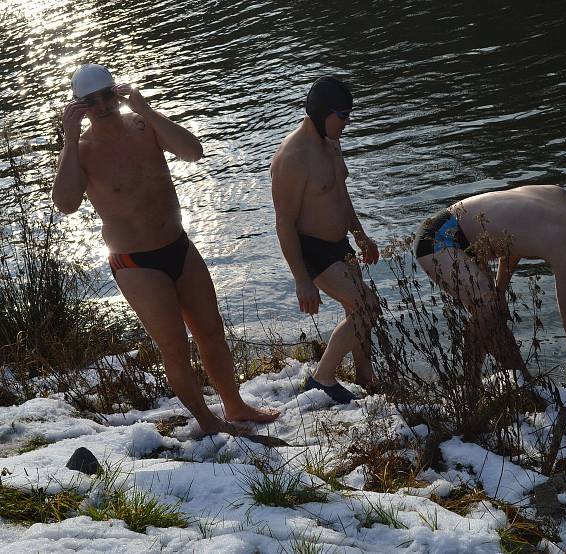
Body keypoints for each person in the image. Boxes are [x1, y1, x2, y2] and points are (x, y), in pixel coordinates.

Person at [52, 63, 279, 434]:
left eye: (108, 95)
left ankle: (234, 406)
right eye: (91, 102)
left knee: (211, 331)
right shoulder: (82, 150)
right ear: (79, 107)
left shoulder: (144, 127)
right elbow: (65, 203)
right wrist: (68, 137)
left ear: (118, 92)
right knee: (175, 347)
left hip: (180, 246)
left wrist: (146, 109)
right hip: (135, 263)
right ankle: (207, 421)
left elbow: (194, 151)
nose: (103, 105)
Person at [413, 184, 566, 382]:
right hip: (438, 240)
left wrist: (500, 290)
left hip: (449, 225)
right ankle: (470, 387)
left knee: (493, 314)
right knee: (487, 309)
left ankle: (521, 381)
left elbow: (514, 236)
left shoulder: (558, 194)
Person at [270, 76, 380, 404]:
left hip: (340, 244)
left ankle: (366, 381)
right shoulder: (293, 158)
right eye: (343, 116)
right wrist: (302, 280)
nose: (347, 123)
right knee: (367, 308)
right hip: (313, 248)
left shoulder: (331, 141)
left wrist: (361, 236)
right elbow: (284, 223)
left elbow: (340, 192)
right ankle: (322, 378)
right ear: (322, 113)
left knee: (357, 311)